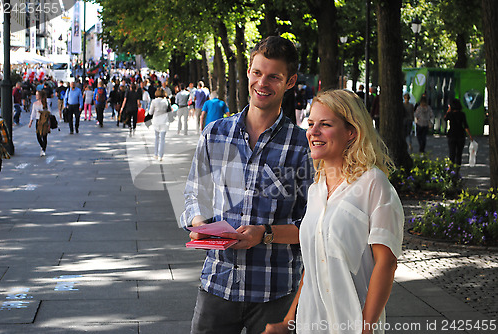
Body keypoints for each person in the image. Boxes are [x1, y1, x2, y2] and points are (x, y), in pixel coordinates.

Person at [180, 36, 314, 334]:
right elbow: (193, 194)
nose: (262, 83)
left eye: (274, 77)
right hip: (217, 282)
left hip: (275, 292)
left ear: (290, 81)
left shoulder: (303, 146)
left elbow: (314, 226)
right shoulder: (215, 134)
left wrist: (264, 235)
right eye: (257, 73)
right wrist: (200, 222)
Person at [263, 90, 404, 334]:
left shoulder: (373, 183)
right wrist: (289, 321)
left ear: (352, 132)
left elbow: (387, 262)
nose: (313, 132)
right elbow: (314, 262)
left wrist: (366, 327)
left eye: (325, 124)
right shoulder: (317, 189)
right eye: (310, 124)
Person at [444, 99, 473, 166]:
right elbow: (465, 125)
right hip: (461, 135)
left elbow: (445, 118)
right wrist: (470, 135)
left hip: (452, 134)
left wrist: (449, 110)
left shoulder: (450, 114)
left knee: (452, 153)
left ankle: (451, 168)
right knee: (459, 154)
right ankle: (457, 168)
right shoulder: (462, 114)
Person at [147, 88, 170, 161]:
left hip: (156, 121)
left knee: (157, 138)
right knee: (162, 139)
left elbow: (150, 112)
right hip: (164, 121)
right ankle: (161, 155)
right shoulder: (166, 101)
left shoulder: (154, 101)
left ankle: (155, 154)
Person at [29, 90, 51, 156]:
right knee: (38, 135)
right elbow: (33, 113)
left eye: (37, 95)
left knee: (44, 136)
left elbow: (50, 112)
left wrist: (49, 123)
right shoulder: (35, 104)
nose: (36, 96)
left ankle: (43, 149)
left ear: (40, 96)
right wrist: (30, 122)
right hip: (38, 121)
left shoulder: (46, 103)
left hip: (44, 121)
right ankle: (42, 146)